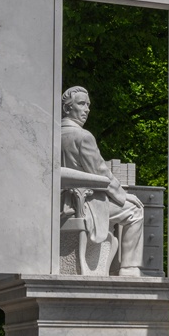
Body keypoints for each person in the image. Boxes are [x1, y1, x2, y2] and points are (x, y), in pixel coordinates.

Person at [61, 86, 144, 276]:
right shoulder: (82, 137)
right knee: (135, 210)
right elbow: (102, 174)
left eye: (88, 105)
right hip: (83, 204)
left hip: (59, 205)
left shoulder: (51, 136)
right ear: (67, 108)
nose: (87, 109)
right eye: (81, 104)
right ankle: (128, 269)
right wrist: (124, 196)